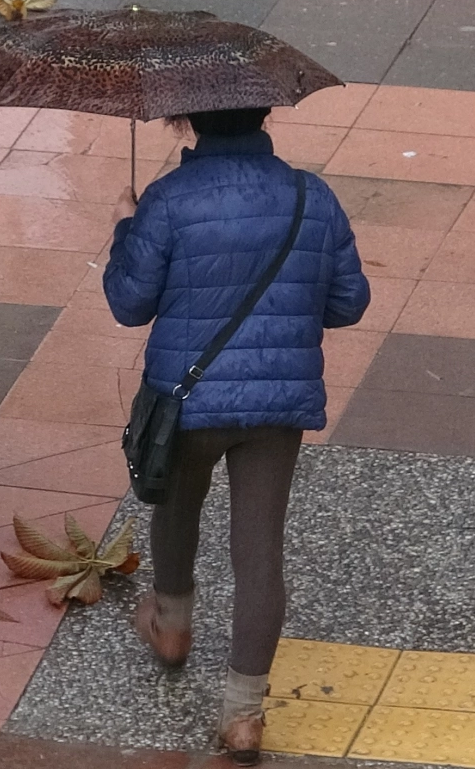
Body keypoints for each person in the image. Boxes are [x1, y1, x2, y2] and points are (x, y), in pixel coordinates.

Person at [103, 106, 369, 765]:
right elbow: (347, 302)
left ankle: (170, 625)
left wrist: (126, 229)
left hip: (186, 399)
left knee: (175, 508)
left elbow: (128, 304)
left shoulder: (167, 200)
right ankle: (243, 716)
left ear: (188, 118)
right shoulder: (312, 195)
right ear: (264, 113)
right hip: (277, 403)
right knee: (259, 553)